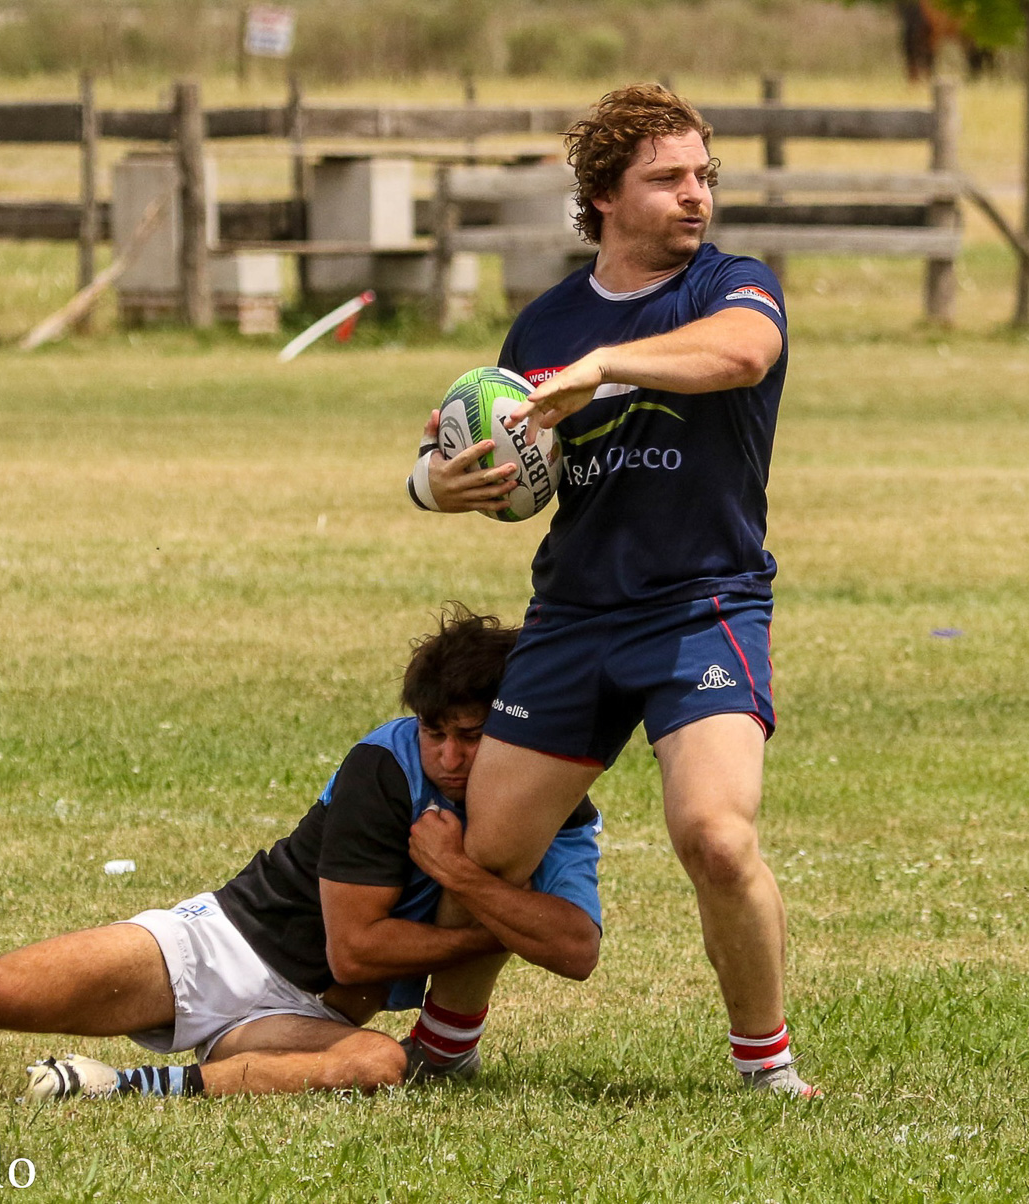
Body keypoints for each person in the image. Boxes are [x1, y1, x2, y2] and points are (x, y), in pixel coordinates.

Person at [0, 606, 602, 1099]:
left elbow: (577, 951)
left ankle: (119, 1090)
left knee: (374, 1066)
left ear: (516, 730)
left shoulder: (554, 807)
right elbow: (356, 950)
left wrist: (460, 877)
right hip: (217, 949)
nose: (448, 757)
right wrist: (493, 920)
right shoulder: (384, 764)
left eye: (473, 737)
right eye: (436, 732)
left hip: (302, 1019)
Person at [405, 84, 817, 1097]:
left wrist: (605, 366)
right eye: (667, 178)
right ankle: (439, 1050)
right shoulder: (543, 320)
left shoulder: (730, 285)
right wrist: (434, 484)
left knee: (716, 837)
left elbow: (742, 355)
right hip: (577, 615)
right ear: (601, 197)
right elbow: (481, 445)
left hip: (702, 606)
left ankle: (765, 1065)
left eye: (703, 176)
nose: (695, 196)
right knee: (491, 850)